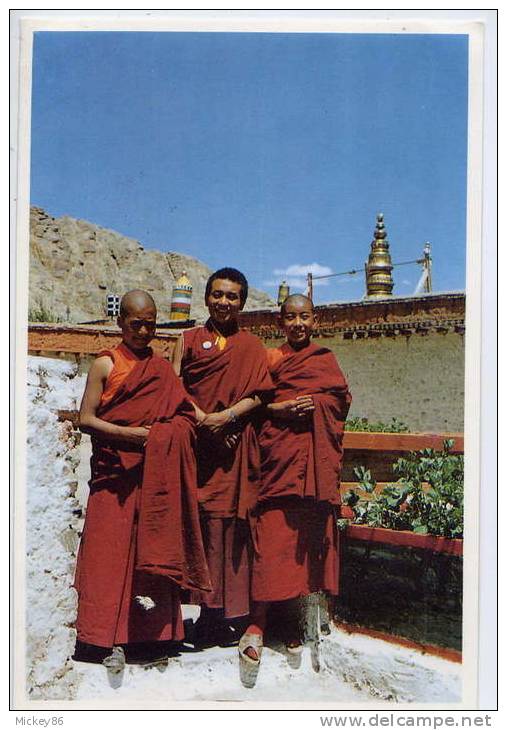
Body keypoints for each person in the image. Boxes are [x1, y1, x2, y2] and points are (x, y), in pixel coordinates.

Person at [75, 290, 210, 670]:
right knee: (109, 557)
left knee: (148, 553)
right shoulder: (106, 363)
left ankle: (152, 638)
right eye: (136, 323)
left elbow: (184, 416)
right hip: (115, 476)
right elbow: (86, 419)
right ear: (121, 323)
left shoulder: (162, 369)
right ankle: (103, 639)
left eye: (151, 323)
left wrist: (171, 433)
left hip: (152, 477)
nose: (144, 330)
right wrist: (134, 435)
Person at [239, 294, 351, 666]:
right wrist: (282, 408)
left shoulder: (325, 360)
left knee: (301, 552)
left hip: (311, 470)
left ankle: (291, 625)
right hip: (278, 465)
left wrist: (318, 406)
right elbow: (255, 404)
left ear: (314, 320)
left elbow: (341, 403)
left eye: (304, 317)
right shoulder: (272, 359)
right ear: (281, 321)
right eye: (291, 317)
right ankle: (256, 624)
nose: (298, 324)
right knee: (270, 546)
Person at [173, 268, 273, 645]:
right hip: (199, 450)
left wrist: (227, 418)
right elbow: (175, 387)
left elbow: (261, 394)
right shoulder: (187, 340)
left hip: (235, 451)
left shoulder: (252, 346)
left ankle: (225, 616)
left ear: (243, 302)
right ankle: (201, 612)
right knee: (199, 528)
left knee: (230, 532)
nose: (224, 302)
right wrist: (204, 421)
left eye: (232, 296)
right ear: (205, 297)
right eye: (217, 294)